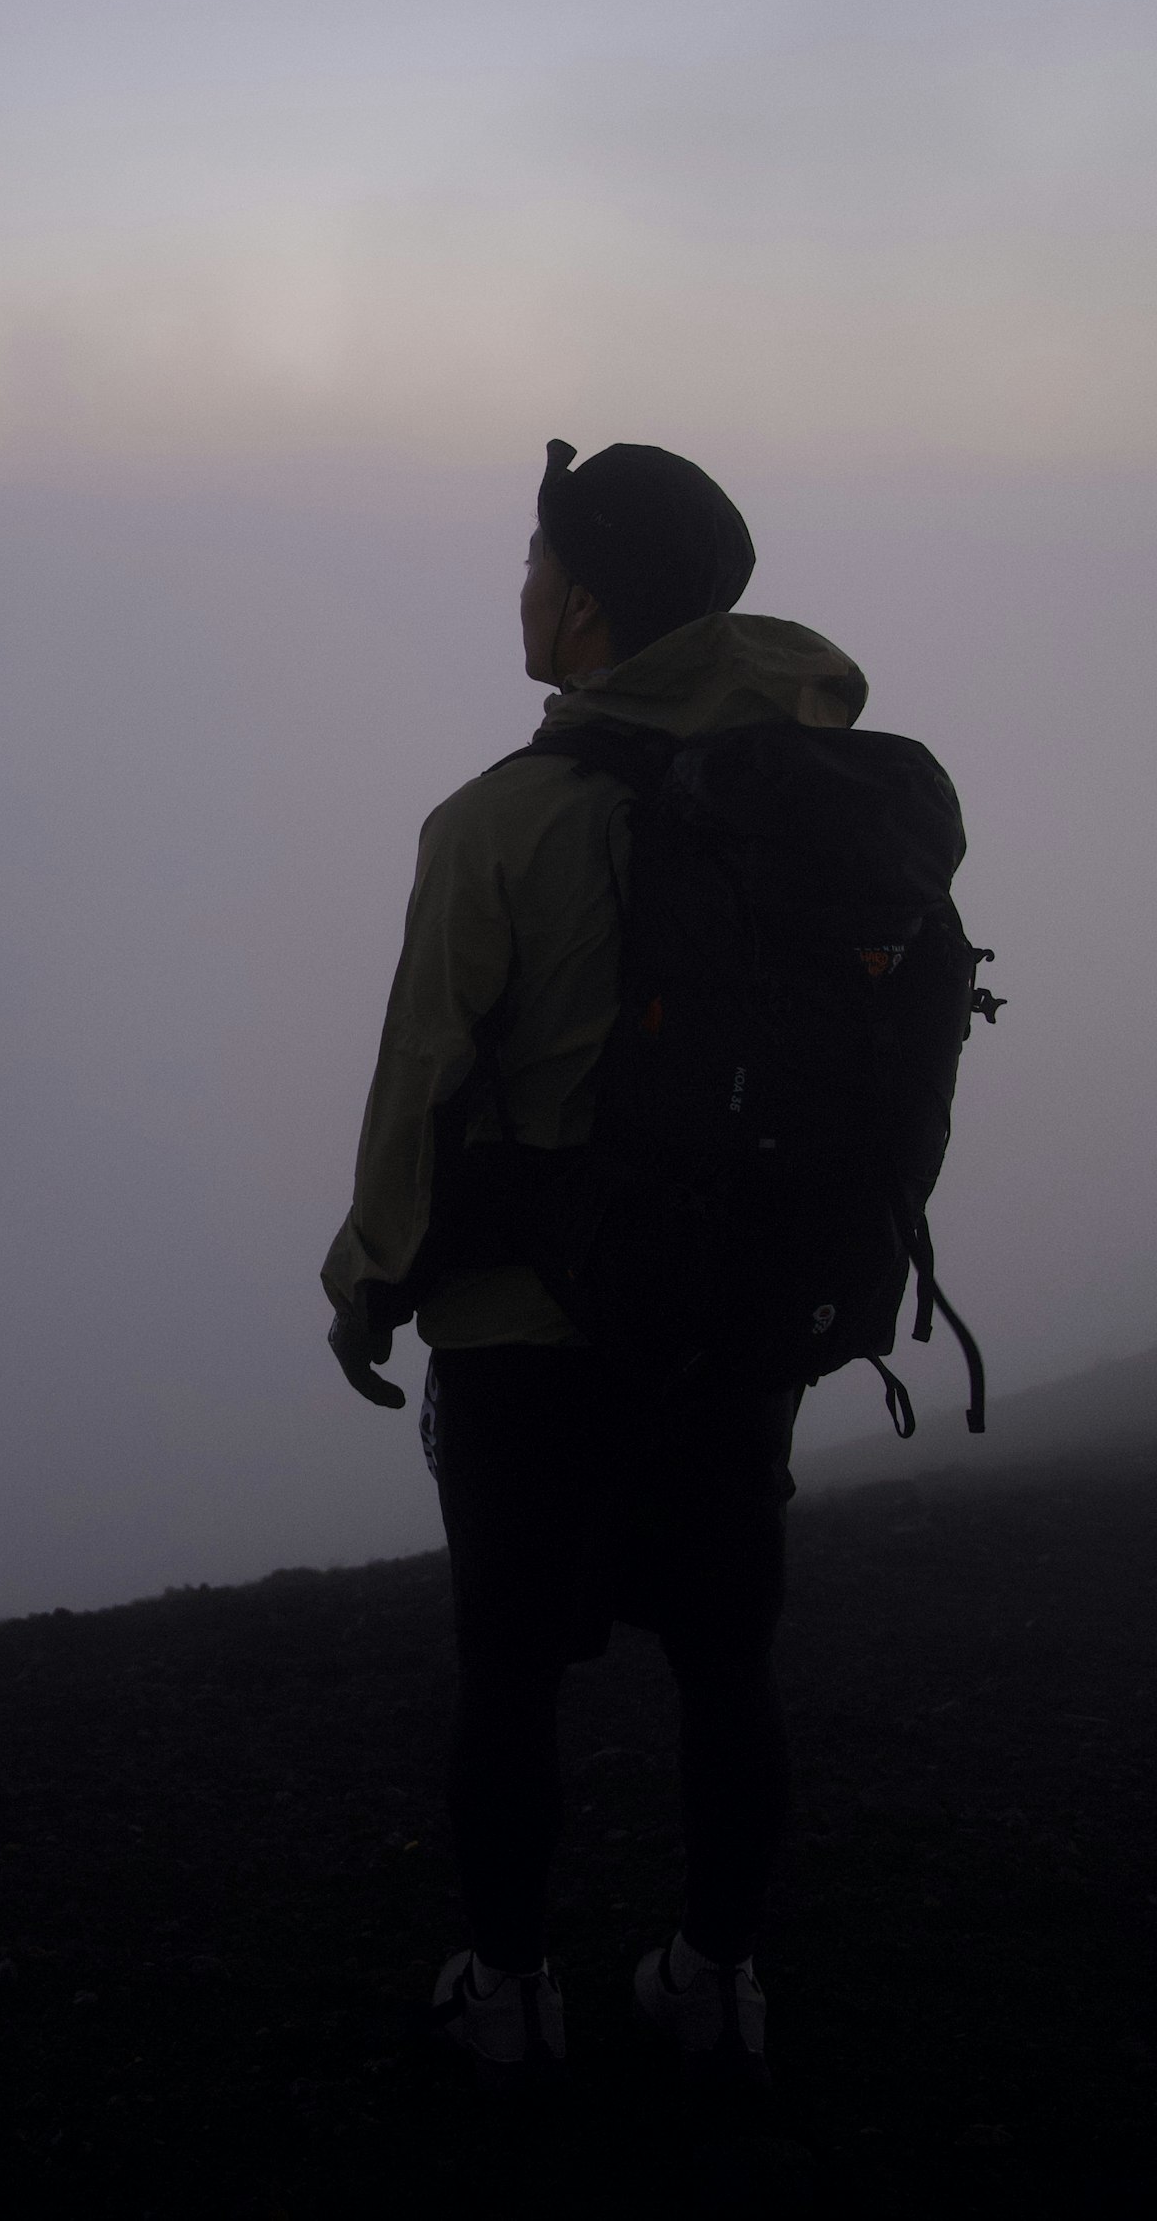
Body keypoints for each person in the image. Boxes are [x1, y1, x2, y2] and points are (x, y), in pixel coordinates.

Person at [320, 439, 872, 2093]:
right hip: (737, 1310)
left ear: (585, 606)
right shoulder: (823, 789)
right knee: (724, 1664)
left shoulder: (501, 822)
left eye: (537, 560)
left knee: (507, 1677)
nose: (521, 585)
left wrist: (370, 1279)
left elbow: (425, 1079)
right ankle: (712, 1980)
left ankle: (506, 1994)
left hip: (531, 1325)